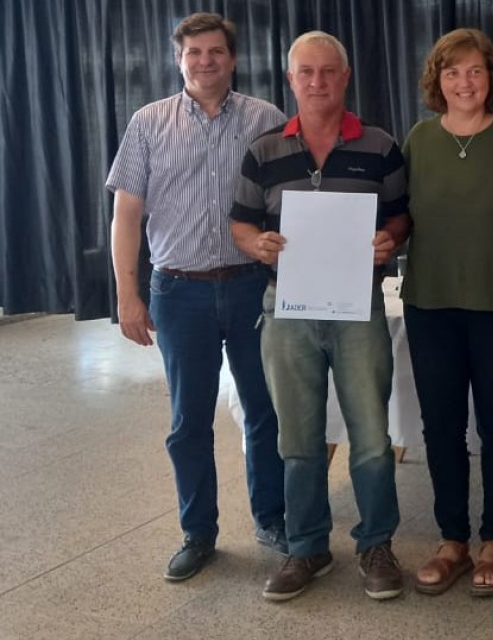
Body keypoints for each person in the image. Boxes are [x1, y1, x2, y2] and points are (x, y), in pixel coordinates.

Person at [105, 12, 287, 582]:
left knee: (263, 410)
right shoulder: (148, 122)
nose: (205, 61)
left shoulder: (266, 119)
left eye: (215, 52)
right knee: (188, 421)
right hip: (178, 290)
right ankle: (198, 533)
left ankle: (273, 520)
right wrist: (128, 294)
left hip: (251, 285)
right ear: (178, 59)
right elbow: (126, 215)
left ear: (233, 59)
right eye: (194, 53)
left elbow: (287, 203)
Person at [229, 30, 410, 602]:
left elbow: (402, 215)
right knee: (297, 438)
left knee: (372, 438)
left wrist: (389, 238)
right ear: (291, 80)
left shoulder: (379, 145)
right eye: (306, 72)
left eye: (328, 71)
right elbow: (240, 222)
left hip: (358, 308)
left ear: (345, 77)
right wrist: (255, 244)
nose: (317, 81)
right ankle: (306, 546)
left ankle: (376, 545)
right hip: (287, 309)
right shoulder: (263, 150)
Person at [400, 28, 493, 598]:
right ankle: (452, 540)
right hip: (430, 306)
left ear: (492, 78)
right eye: (452, 71)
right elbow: (403, 218)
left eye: (475, 70)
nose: (464, 82)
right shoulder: (419, 139)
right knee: (440, 426)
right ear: (437, 80)